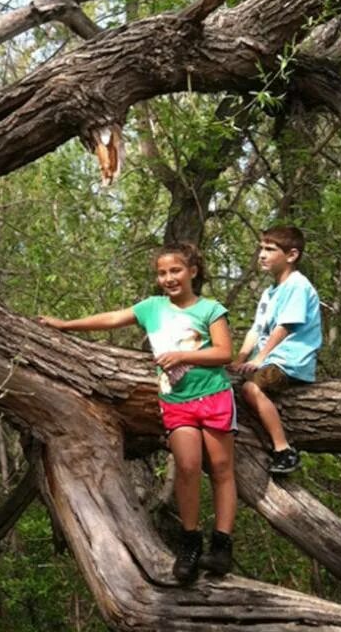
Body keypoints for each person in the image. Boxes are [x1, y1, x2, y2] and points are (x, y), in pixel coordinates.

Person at [39, 243, 236, 584]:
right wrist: (66, 325)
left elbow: (224, 353)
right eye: (162, 273)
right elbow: (112, 318)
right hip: (177, 401)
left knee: (220, 469)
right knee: (187, 468)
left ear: (193, 271)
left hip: (214, 396)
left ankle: (221, 546)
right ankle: (190, 543)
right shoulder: (152, 308)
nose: (168, 278)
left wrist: (182, 356)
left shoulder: (210, 309)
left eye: (175, 271)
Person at [230, 225, 322, 475]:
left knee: (251, 387)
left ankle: (283, 450)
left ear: (291, 255)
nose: (262, 254)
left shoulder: (297, 285)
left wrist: (260, 358)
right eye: (261, 248)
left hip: (290, 361)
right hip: (269, 359)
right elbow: (256, 330)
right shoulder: (269, 292)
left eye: (270, 249)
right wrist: (239, 360)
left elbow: (285, 327)